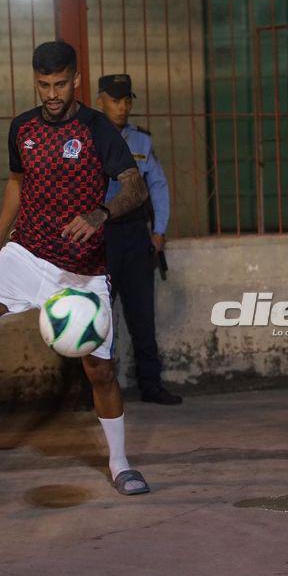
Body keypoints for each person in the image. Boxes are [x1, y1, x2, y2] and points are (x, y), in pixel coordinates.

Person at [0, 41, 153, 496]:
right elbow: (17, 182)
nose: (52, 93)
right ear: (36, 81)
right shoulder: (22, 127)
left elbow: (136, 187)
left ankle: (120, 462)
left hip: (82, 268)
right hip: (26, 253)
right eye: (45, 85)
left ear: (76, 81)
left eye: (61, 84)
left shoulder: (97, 129)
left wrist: (101, 214)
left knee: (100, 372)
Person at [96, 74, 182, 406]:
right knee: (98, 315)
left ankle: (151, 384)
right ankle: (95, 389)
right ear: (102, 99)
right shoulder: (88, 137)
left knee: (142, 314)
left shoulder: (142, 141)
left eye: (127, 100)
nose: (122, 106)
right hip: (99, 234)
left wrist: (159, 231)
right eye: (116, 100)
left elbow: (158, 186)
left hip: (134, 234)